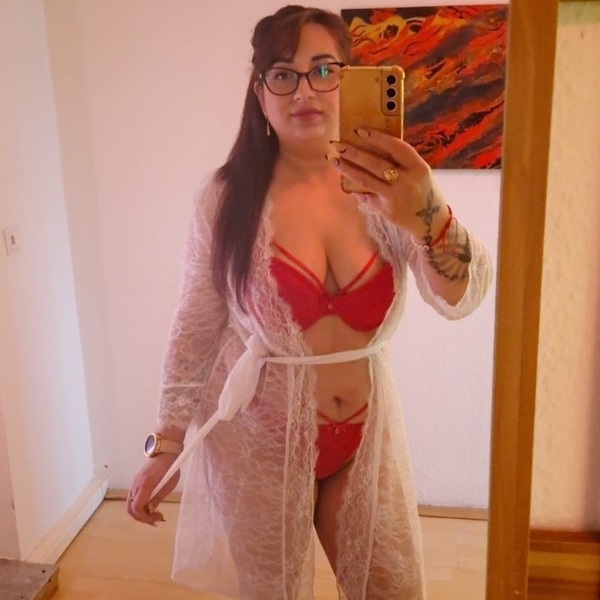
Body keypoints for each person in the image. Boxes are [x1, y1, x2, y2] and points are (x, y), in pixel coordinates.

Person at [127, 5, 492, 599]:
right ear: (259, 93)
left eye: (324, 70)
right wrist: (165, 445)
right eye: (283, 74)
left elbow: (461, 296)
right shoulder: (224, 199)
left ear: (349, 79)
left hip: (365, 438)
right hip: (256, 441)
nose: (305, 90)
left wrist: (426, 208)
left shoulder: (390, 186)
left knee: (394, 589)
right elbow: (195, 322)